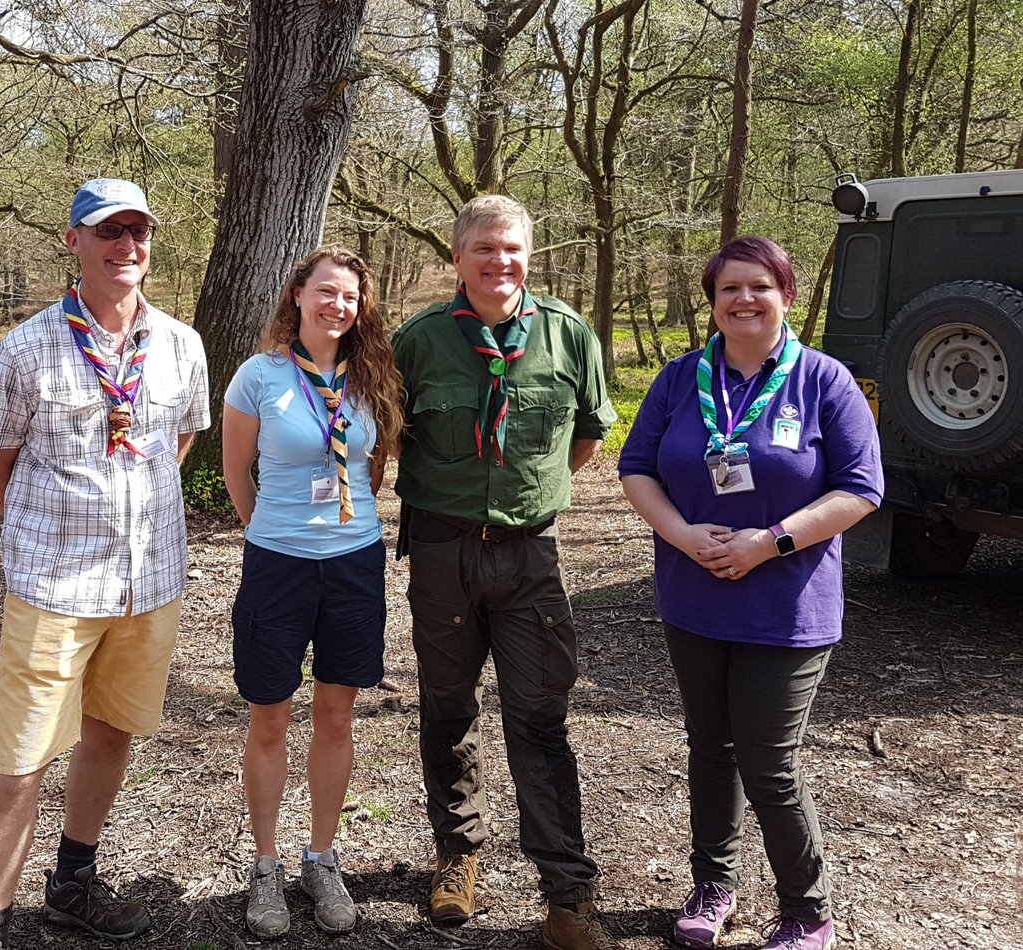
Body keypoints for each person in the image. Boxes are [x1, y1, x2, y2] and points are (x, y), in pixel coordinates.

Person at [617, 235, 883, 950]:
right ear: (712, 302)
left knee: (768, 761)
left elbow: (861, 489)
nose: (744, 299)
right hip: (693, 594)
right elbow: (637, 467)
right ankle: (714, 886)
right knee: (710, 746)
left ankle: (806, 911)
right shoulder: (679, 379)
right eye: (729, 288)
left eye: (759, 286)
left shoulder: (825, 381)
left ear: (786, 295)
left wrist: (770, 541)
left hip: (786, 604)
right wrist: (680, 535)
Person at [0, 178, 210, 949]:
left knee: (110, 735)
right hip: (54, 589)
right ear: (74, 242)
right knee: (22, 758)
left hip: (150, 585)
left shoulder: (181, 345)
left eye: (138, 232)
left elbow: (179, 445)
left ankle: (72, 882)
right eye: (109, 231)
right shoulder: (26, 347)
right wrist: (53, 526)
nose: (126, 246)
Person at [392, 195, 618, 950]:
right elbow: (389, 439)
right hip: (442, 552)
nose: (500, 262)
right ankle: (458, 854)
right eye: (483, 249)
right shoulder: (417, 343)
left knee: (539, 719)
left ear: (530, 254)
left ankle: (566, 895)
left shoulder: (568, 335)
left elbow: (583, 438)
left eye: (513, 249)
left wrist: (527, 498)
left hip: (529, 554)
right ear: (457, 258)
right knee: (448, 707)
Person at [220, 246, 403, 937]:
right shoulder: (259, 376)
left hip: (354, 564)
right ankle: (265, 864)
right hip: (278, 564)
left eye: (350, 296)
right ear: (297, 295)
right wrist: (271, 530)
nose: (338, 306)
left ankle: (320, 858)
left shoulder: (372, 376)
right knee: (269, 718)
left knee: (335, 715)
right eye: (326, 291)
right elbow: (239, 471)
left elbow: (375, 464)